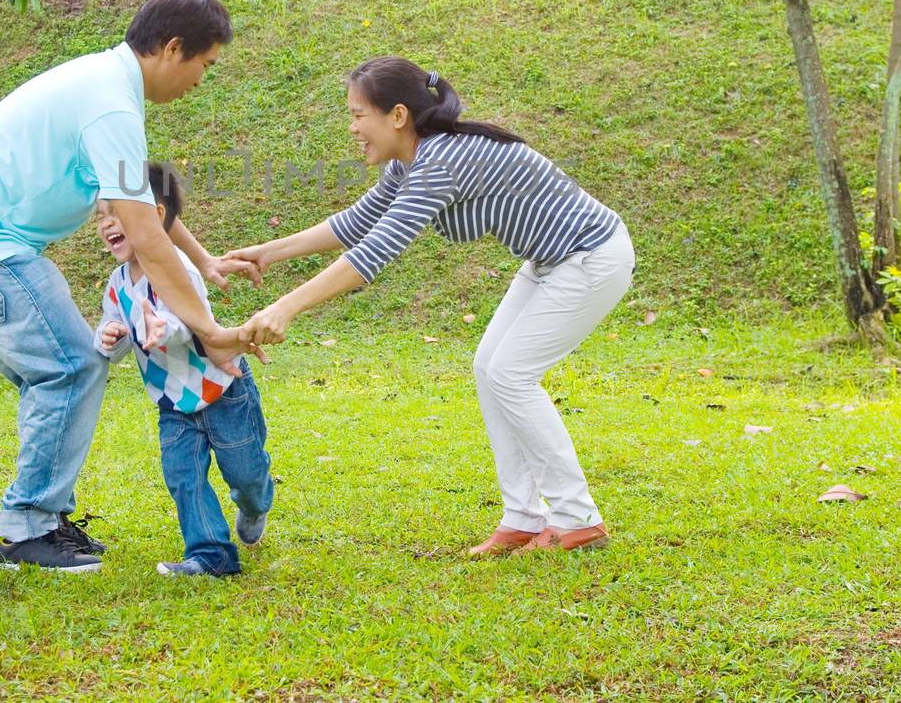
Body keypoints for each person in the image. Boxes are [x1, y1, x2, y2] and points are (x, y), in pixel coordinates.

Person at [228, 56, 635, 556]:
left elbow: (374, 253)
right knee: (490, 368)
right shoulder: (410, 161)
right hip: (552, 261)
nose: (352, 127)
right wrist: (268, 252)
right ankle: (525, 517)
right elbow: (359, 223)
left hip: (591, 256)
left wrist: (287, 306)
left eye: (359, 115)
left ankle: (576, 517)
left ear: (397, 115)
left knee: (510, 373)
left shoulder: (440, 162)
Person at [0, 0, 259, 573]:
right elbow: (144, 236)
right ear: (173, 48)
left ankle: (40, 520)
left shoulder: (106, 87)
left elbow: (142, 206)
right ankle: (28, 528)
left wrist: (203, 261)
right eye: (204, 64)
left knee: (57, 373)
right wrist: (210, 332)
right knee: (72, 365)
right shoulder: (111, 103)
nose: (201, 80)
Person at [94, 163, 274, 577]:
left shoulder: (179, 267)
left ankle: (257, 501)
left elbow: (191, 321)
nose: (107, 225)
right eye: (100, 217)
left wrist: (162, 327)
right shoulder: (117, 283)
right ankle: (211, 555)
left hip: (222, 389)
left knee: (245, 474)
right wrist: (110, 334)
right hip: (172, 401)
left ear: (155, 217)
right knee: (183, 477)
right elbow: (114, 331)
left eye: (116, 213)